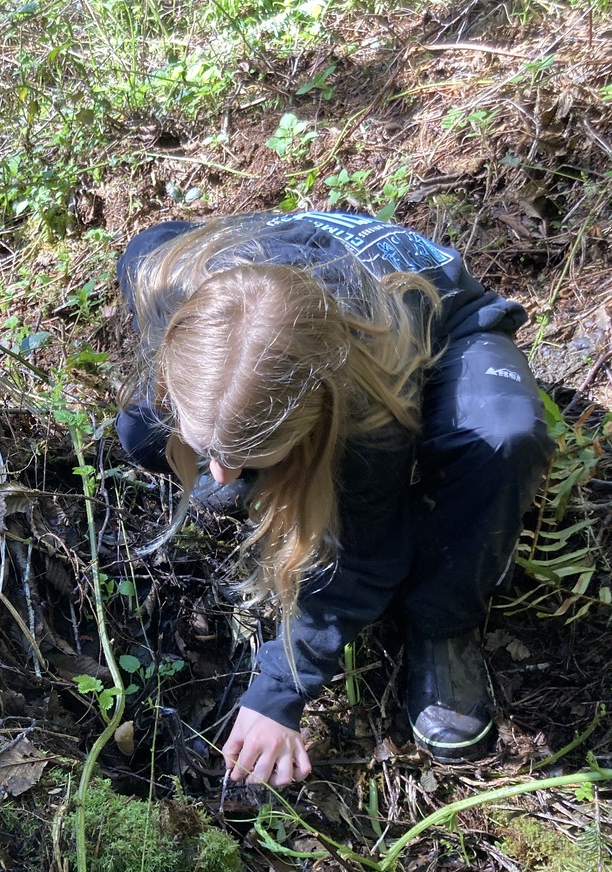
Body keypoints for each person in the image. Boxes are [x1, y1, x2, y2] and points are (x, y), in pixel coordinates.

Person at [115, 211, 554, 788]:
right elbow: (150, 241)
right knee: (139, 431)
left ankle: (442, 624)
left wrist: (281, 689)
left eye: (249, 456)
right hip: (279, 281)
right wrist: (218, 449)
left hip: (439, 321)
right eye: (211, 451)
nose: (218, 476)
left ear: (314, 426)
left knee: (503, 438)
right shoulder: (163, 280)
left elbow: (368, 558)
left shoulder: (369, 408)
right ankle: (238, 445)